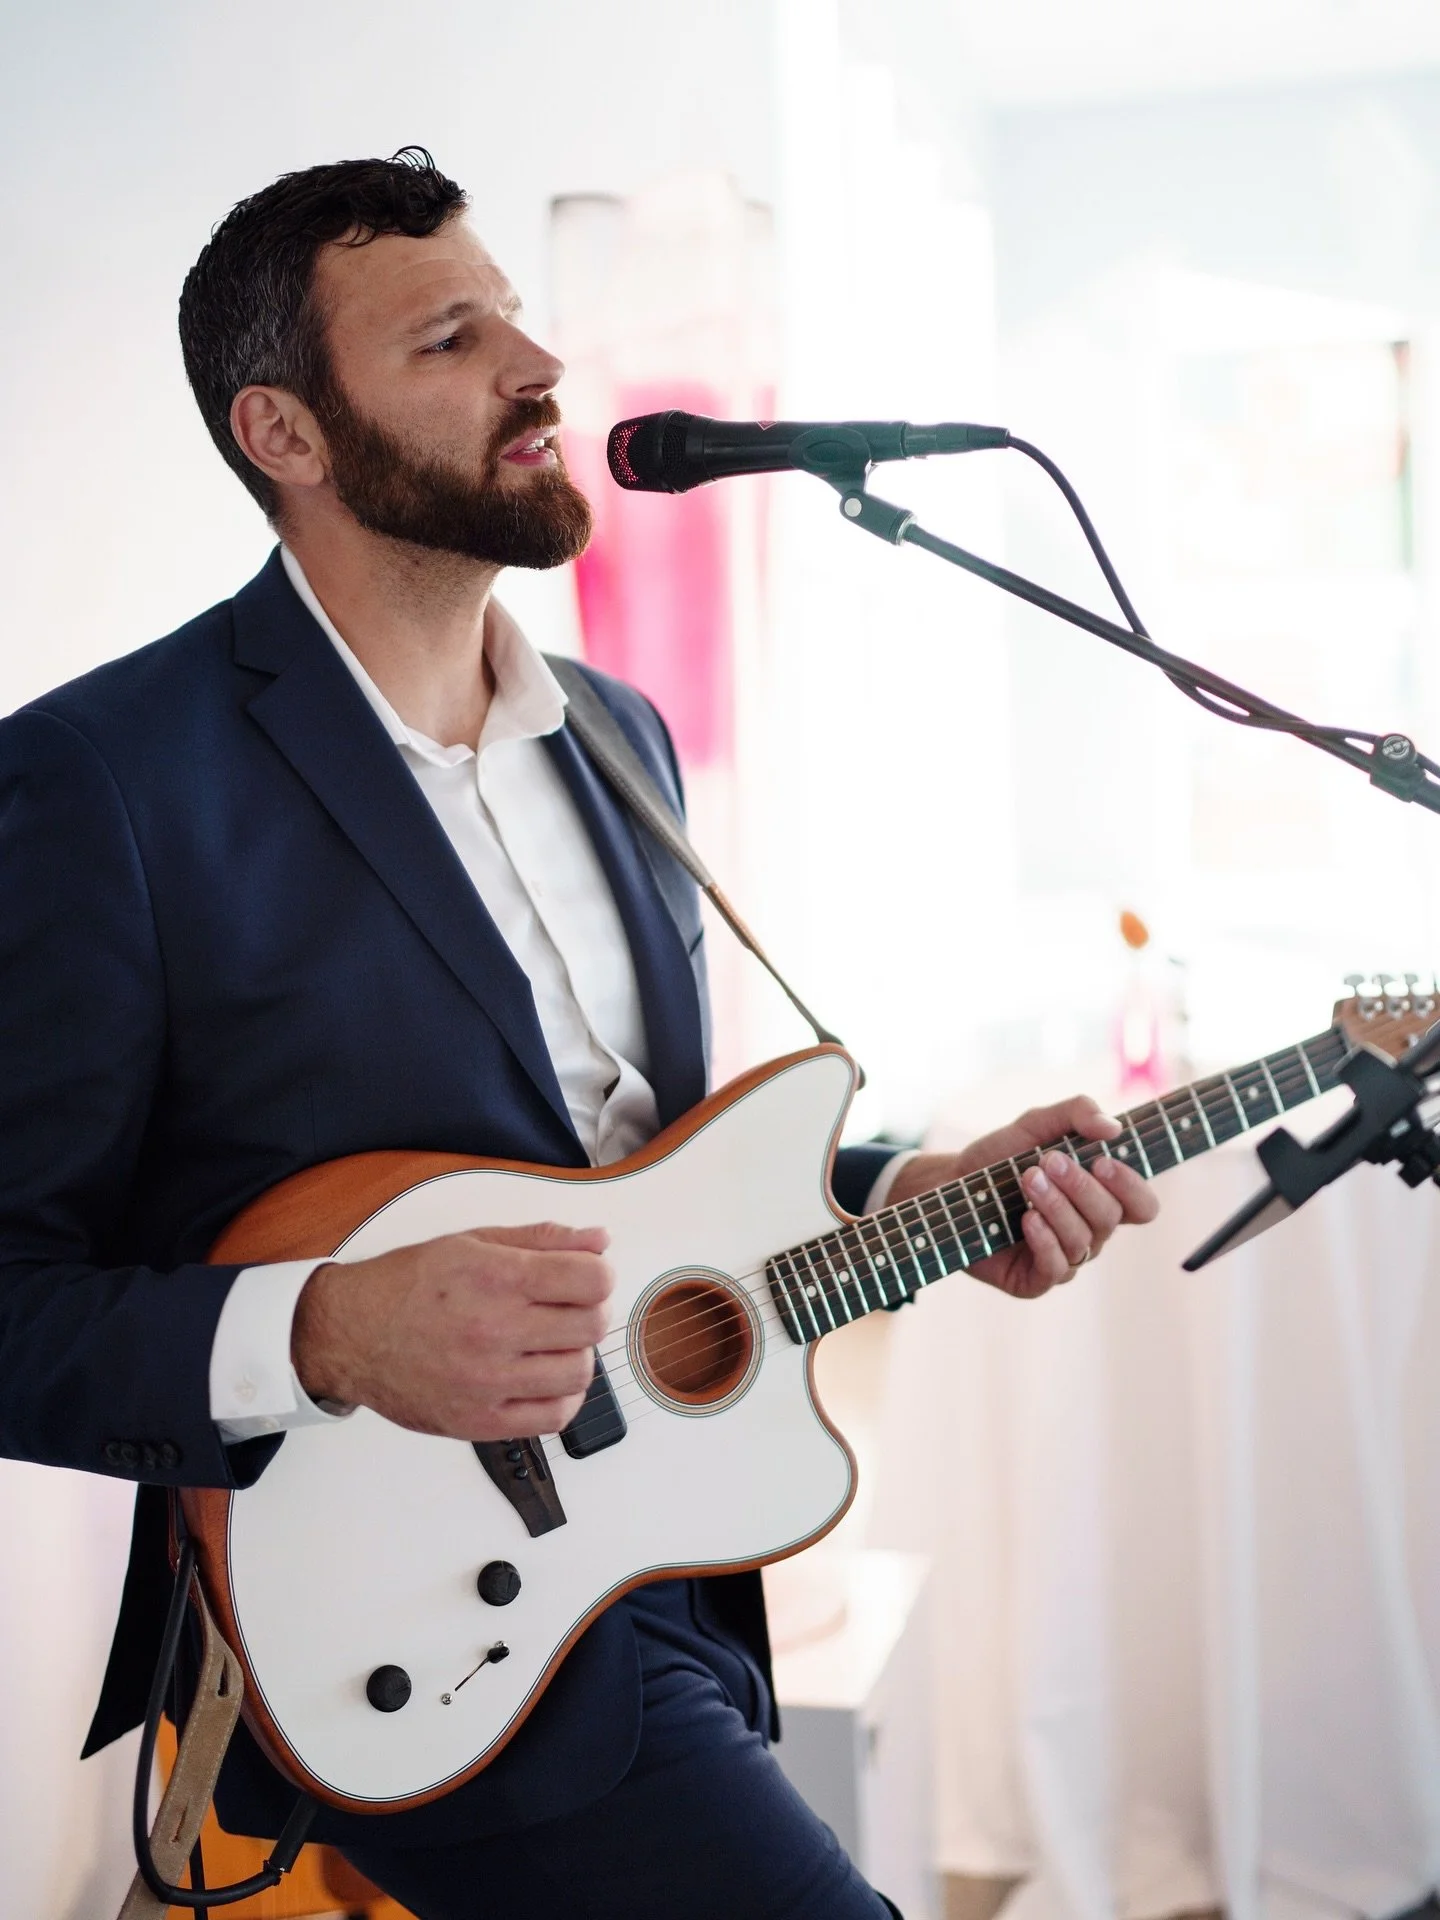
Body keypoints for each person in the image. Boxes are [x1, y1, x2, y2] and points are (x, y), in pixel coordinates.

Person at [0, 149, 1158, 1920]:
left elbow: (641, 1182)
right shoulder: (105, 780)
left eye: (519, 322)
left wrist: (905, 1186)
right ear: (285, 436)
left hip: (676, 1567)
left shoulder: (622, 735)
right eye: (453, 340)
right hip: (393, 1627)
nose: (538, 370)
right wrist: (321, 1327)